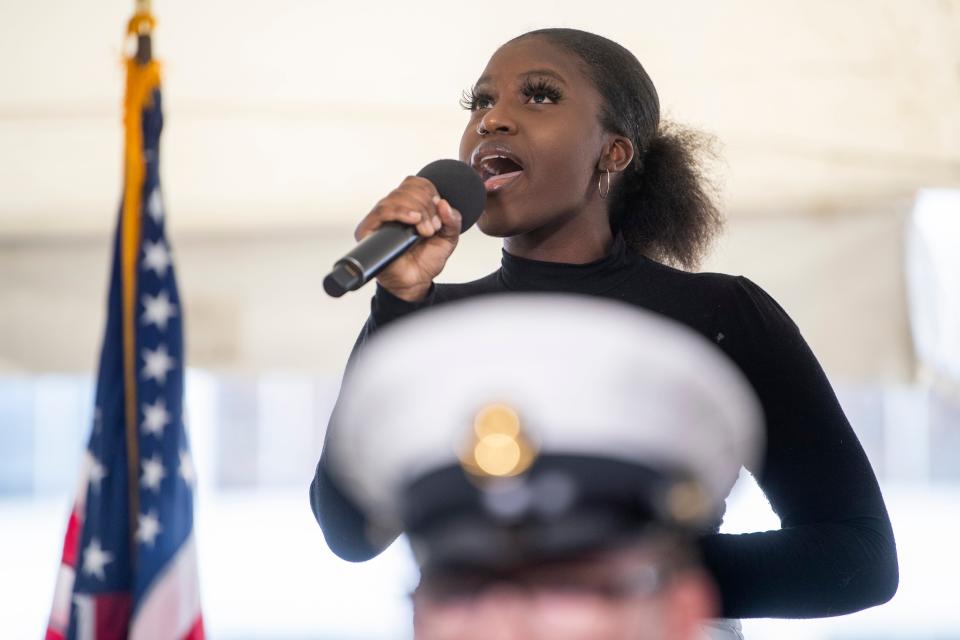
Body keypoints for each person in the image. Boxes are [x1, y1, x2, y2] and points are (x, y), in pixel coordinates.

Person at [311, 27, 898, 623]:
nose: (492, 121)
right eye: (480, 102)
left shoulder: (722, 314)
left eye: (539, 95)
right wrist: (399, 302)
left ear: (613, 153)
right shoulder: (427, 320)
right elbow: (349, 534)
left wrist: (626, 582)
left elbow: (858, 556)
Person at [323, 295, 765, 640]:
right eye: (458, 588)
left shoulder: (722, 304)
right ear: (417, 613)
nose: (503, 631)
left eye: (566, 584)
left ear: (681, 611)